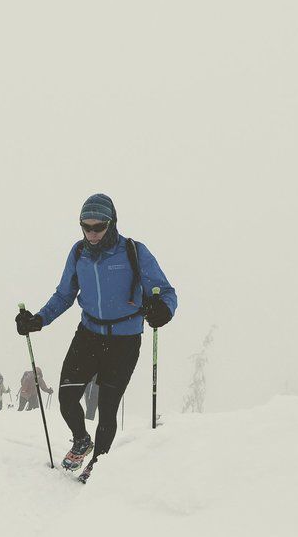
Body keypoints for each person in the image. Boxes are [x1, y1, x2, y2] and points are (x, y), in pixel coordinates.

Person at [15, 193, 177, 481]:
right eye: (85, 226)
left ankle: (99, 463)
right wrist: (38, 320)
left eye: (98, 227)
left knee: (107, 407)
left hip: (125, 340)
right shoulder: (79, 254)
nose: (91, 233)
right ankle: (81, 440)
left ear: (111, 223)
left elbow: (166, 292)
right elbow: (65, 294)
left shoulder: (134, 252)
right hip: (88, 334)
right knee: (67, 398)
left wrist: (164, 310)